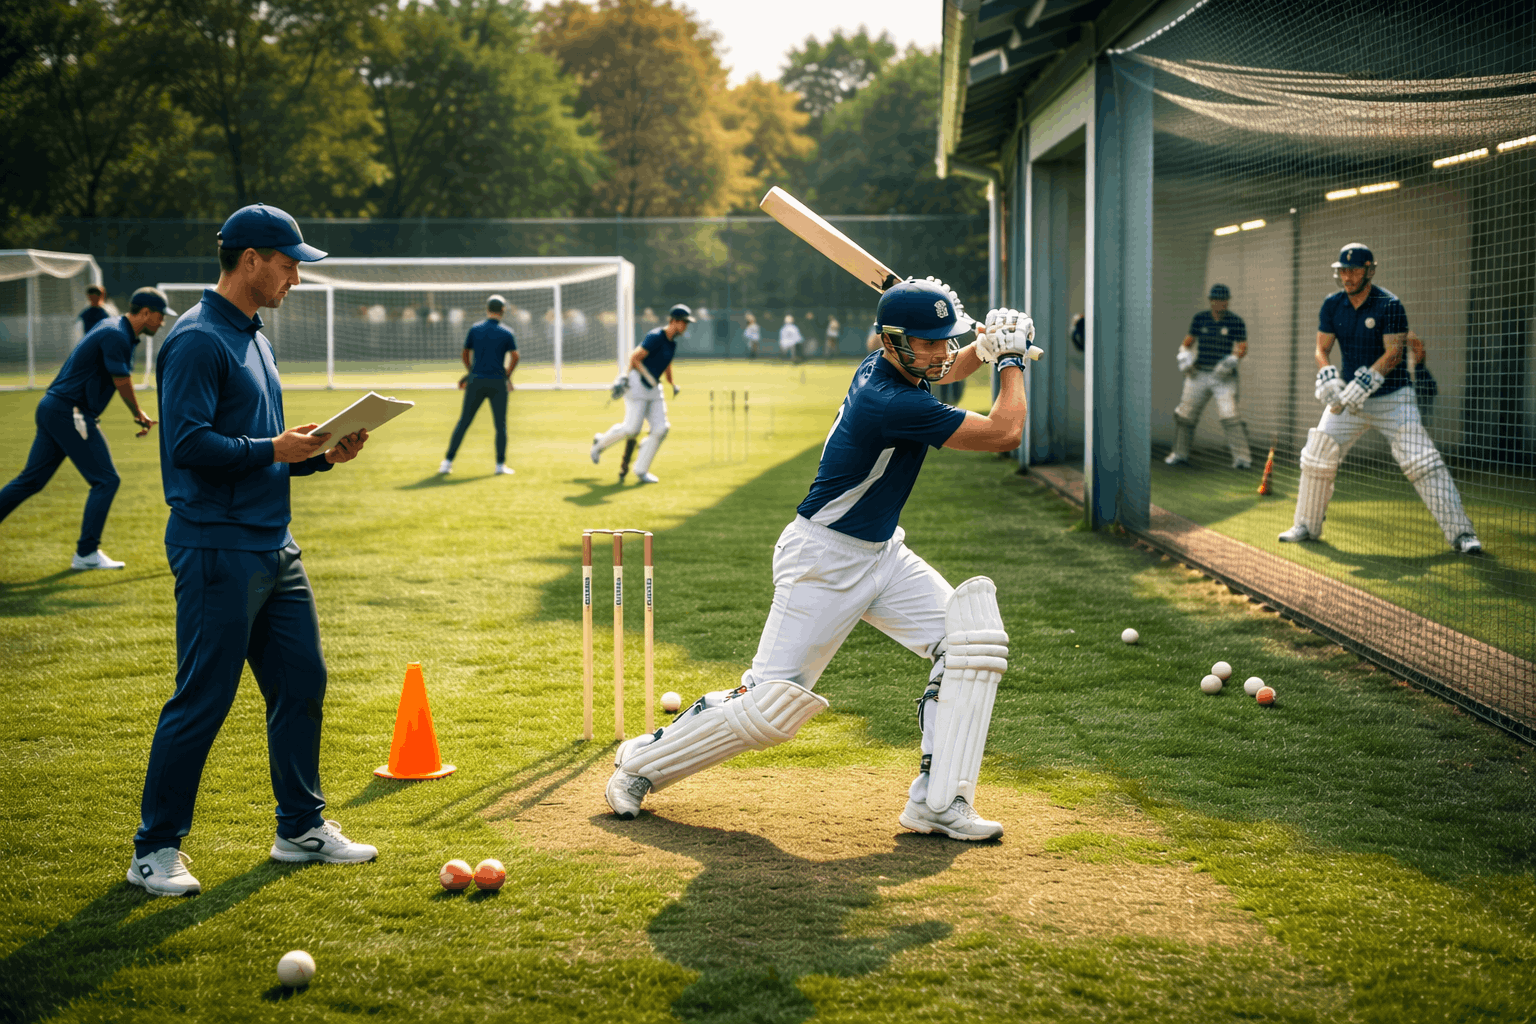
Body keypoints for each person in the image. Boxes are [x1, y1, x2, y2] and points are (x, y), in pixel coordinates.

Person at [605, 278, 1040, 841]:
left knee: (968, 643)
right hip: (823, 560)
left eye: (942, 339)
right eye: (926, 342)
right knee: (769, 707)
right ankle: (640, 763)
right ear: (891, 342)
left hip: (883, 552)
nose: (938, 352)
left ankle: (938, 802)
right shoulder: (891, 401)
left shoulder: (888, 366)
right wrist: (1008, 360)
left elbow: (948, 369)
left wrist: (977, 352)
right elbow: (1005, 431)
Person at [128, 203, 377, 898]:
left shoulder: (255, 337)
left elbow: (260, 451)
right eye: (289, 261)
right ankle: (154, 851)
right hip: (216, 548)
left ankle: (299, 829)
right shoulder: (197, 339)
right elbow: (189, 447)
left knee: (302, 684)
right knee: (202, 700)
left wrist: (321, 454)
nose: (297, 275)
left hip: (275, 546)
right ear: (250, 260)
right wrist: (273, 446)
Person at [1280, 243, 1481, 554]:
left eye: (1355, 270)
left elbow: (1395, 353)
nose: (1348, 276)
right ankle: (1306, 525)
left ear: (1369, 271)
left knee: (1422, 461)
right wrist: (1329, 375)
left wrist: (1368, 380)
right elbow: (1321, 349)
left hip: (1393, 397)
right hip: (1348, 398)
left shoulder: (1390, 305)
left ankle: (1462, 535)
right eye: (1343, 270)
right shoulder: (1332, 304)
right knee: (1317, 453)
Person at [1, 287, 167, 569]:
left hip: (54, 407)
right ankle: (86, 554)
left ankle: (87, 553)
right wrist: (138, 413)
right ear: (146, 312)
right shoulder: (117, 335)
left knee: (30, 481)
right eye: (160, 317)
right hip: (71, 412)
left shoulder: (112, 326)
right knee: (106, 480)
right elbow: (121, 379)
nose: (161, 323)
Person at [591, 303, 689, 484]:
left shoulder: (672, 343)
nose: (685, 326)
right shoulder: (656, 336)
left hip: (653, 388)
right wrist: (647, 376)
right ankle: (599, 445)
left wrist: (671, 383)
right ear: (674, 321)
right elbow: (634, 358)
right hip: (637, 384)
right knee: (631, 429)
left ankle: (641, 470)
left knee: (661, 429)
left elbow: (667, 363)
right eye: (683, 322)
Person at [1165, 284, 1250, 470]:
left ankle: (1242, 459)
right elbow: (1187, 343)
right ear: (1211, 301)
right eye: (1216, 300)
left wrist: (1232, 360)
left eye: (1223, 300)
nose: (1219, 303)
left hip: (1223, 376)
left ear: (1227, 301)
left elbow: (1242, 347)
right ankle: (1179, 454)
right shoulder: (1200, 318)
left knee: (1230, 416)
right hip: (1199, 372)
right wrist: (1184, 357)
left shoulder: (1235, 321)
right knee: (1185, 415)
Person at [439, 294, 519, 476]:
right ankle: (500, 466)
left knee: (464, 421)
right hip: (498, 382)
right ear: (503, 310)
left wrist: (471, 371)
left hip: (476, 381)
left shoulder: (475, 329)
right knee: (501, 425)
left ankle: (447, 463)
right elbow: (515, 356)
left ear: (487, 309)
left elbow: (465, 352)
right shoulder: (507, 332)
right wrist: (507, 375)